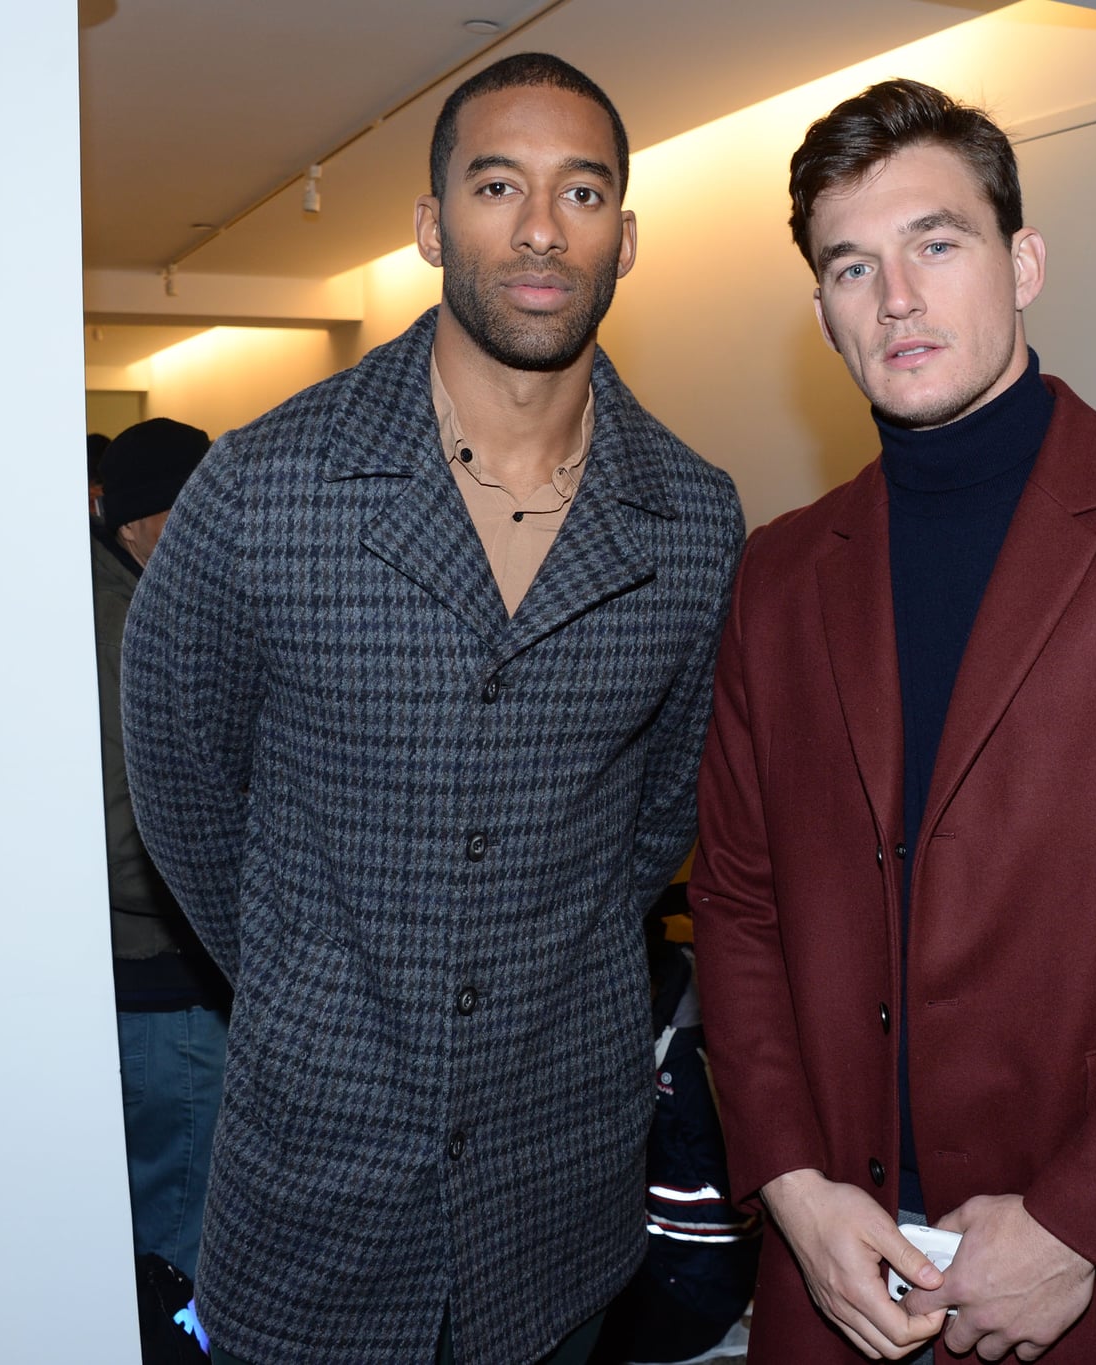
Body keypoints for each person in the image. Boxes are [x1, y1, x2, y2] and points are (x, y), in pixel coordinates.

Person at [690, 78, 1096, 1364]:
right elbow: (738, 901)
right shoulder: (777, 572)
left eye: (936, 243)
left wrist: (1076, 1227)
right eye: (849, 267)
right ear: (819, 308)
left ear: (1022, 260)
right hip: (841, 1265)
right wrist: (789, 1188)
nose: (895, 298)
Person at [120, 52, 746, 1365]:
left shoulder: (691, 515)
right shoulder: (267, 486)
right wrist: (313, 984)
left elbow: (660, 813)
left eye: (581, 192)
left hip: (560, 1179)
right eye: (496, 185)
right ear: (428, 226)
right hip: (313, 1174)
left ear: (624, 239)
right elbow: (179, 781)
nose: (538, 226)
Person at [91, 416, 230, 1285]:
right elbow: (117, 832)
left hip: (162, 981)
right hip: (161, 986)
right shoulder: (119, 628)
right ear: (138, 519)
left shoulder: (141, 599)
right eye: (188, 511)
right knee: (176, 1238)